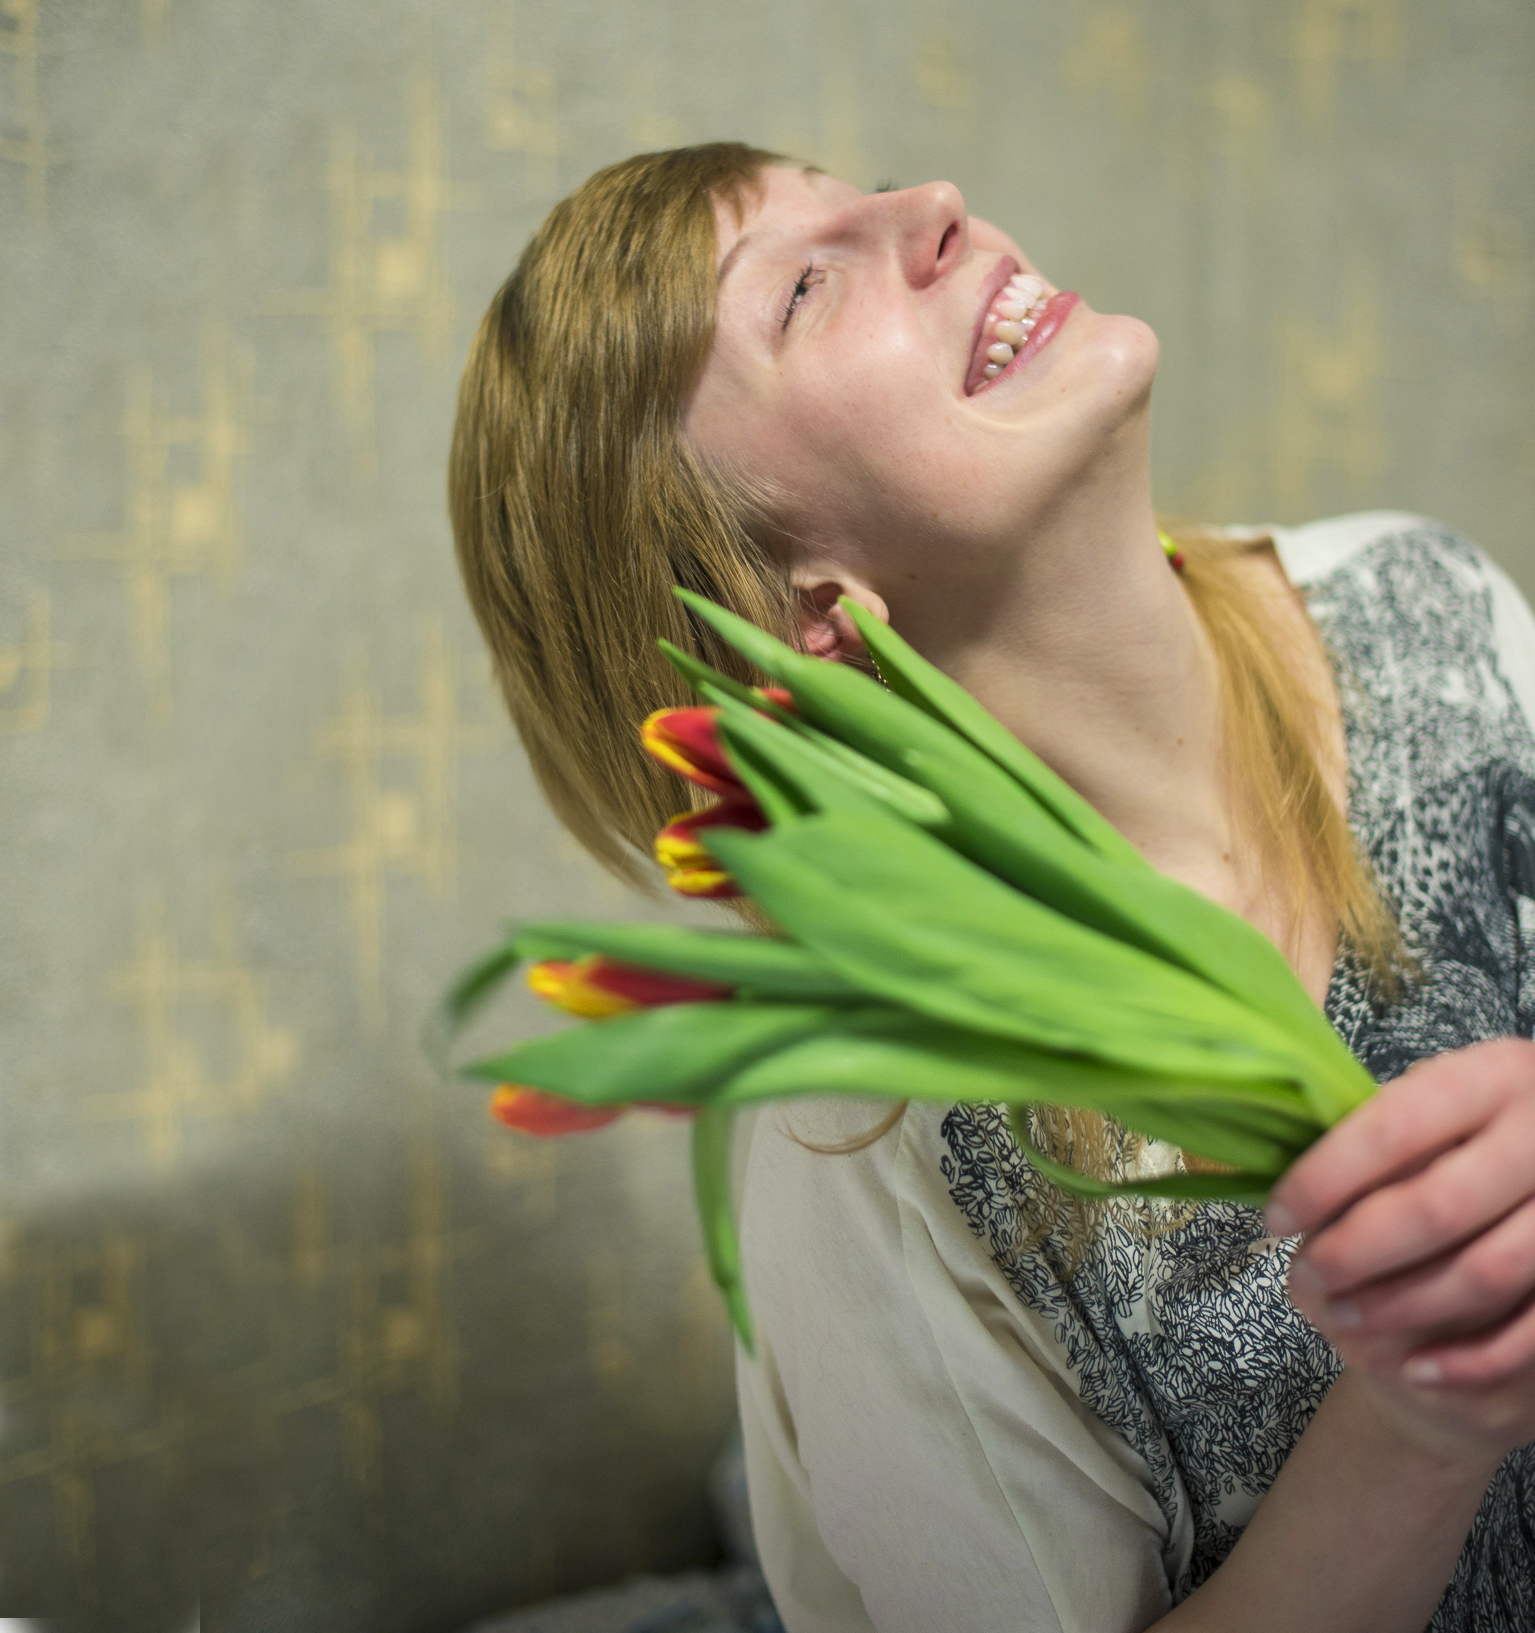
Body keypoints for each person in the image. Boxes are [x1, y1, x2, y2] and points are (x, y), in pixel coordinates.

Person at [449, 143, 1535, 1633]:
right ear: (805, 620)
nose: (935, 204)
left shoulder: (1431, 605)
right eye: (808, 289)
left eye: (868, 186)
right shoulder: (862, 1136)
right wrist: (1420, 1424)